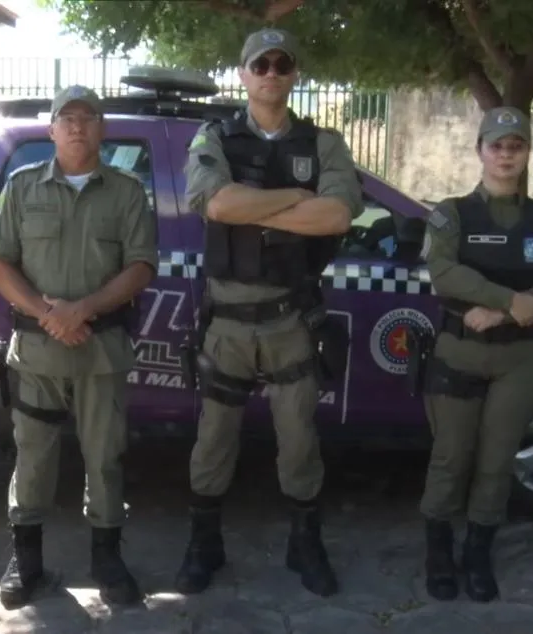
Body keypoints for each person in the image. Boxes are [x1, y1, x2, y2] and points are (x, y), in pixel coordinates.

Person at [174, 28, 363, 598]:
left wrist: (252, 211)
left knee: (300, 441)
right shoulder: (215, 137)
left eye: (282, 64)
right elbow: (216, 202)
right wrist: (296, 199)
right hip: (227, 322)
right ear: (244, 74)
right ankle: (204, 545)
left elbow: (337, 216)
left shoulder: (323, 143)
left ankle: (305, 545)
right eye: (261, 64)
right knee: (213, 440)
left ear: (294, 73)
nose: (272, 73)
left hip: (291, 319)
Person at [0, 85, 158, 609]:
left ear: (102, 129)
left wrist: (82, 310)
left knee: (104, 457)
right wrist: (50, 314)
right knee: (33, 456)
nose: (77, 126)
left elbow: (141, 266)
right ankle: (26, 559)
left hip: (101, 349)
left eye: (87, 117)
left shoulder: (127, 191)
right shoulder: (22, 186)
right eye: (67, 117)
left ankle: (107, 557)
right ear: (51, 129)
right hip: (38, 351)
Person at [416, 106, 533, 602]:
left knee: (496, 460)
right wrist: (509, 299)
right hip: (459, 352)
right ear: (480, 151)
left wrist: (502, 316)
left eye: (516, 146)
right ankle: (438, 552)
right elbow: (443, 272)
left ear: (528, 152)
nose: (506, 155)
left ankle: (478, 553)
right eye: (496, 145)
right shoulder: (451, 214)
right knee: (451, 457)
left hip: (520, 358)